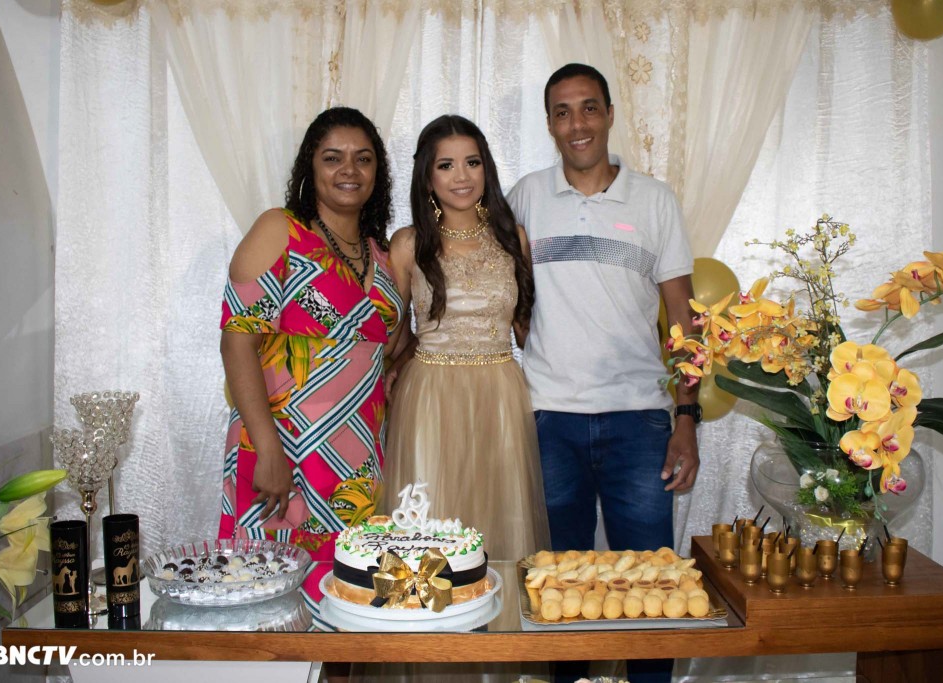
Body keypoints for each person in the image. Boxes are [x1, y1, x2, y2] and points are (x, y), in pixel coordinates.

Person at [506, 64, 700, 683]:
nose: (577, 124)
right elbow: (502, 294)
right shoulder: (525, 197)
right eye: (562, 112)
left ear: (610, 114)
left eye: (589, 108)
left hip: (639, 421)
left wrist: (686, 418)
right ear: (549, 124)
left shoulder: (655, 200)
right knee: (559, 591)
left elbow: (684, 321)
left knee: (653, 592)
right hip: (549, 419)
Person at [218, 107, 403, 612]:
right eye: (333, 157)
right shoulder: (280, 230)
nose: (349, 169)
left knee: (349, 601)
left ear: (378, 172)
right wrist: (269, 450)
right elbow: (237, 343)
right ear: (310, 166)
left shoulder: (381, 254)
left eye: (363, 158)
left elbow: (387, 351)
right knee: (270, 601)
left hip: (356, 462)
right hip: (283, 448)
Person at [383, 114, 549, 562]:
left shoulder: (512, 238)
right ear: (427, 176)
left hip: (500, 393)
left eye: (472, 162)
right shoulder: (408, 243)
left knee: (500, 521)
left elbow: (526, 330)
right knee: (430, 524)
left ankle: (498, 608)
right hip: (430, 396)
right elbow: (391, 336)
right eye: (446, 165)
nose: (462, 176)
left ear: (486, 169)